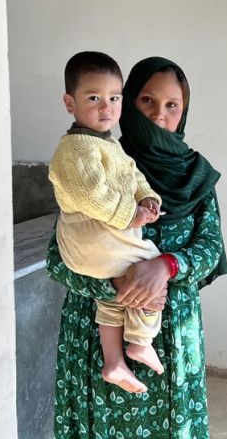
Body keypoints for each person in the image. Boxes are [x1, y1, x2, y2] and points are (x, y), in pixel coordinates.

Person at [46, 56, 227, 438]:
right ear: (129, 102)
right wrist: (114, 286)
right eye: (147, 100)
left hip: (171, 330)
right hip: (97, 333)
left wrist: (165, 266)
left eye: (172, 105)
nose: (159, 115)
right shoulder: (95, 161)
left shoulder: (197, 177)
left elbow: (210, 248)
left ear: (184, 110)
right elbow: (59, 256)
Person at [48, 51, 169, 394]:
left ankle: (114, 361)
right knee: (149, 267)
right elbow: (92, 197)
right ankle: (141, 341)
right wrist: (132, 216)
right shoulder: (75, 150)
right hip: (91, 240)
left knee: (113, 297)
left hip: (99, 245)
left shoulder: (108, 145)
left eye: (114, 98)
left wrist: (148, 199)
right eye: (94, 98)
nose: (106, 107)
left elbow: (133, 177)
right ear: (69, 103)